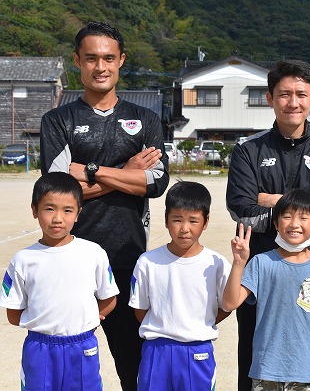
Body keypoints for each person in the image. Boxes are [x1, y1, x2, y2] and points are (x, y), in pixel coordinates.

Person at [39, 21, 170, 390]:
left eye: (109, 58)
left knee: (134, 362)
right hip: (69, 259)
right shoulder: (58, 120)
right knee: (66, 360)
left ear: (121, 61)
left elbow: (156, 182)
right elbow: (57, 193)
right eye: (91, 58)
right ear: (77, 61)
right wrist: (126, 173)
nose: (100, 66)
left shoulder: (146, 119)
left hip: (129, 256)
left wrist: (92, 172)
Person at [226, 59, 310, 390]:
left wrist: (272, 200)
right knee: (254, 349)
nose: (292, 102)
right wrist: (308, 209)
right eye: (284, 94)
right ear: (270, 98)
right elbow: (242, 209)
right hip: (262, 269)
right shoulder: (247, 151)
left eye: (301, 94)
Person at [0, 172, 119, 391]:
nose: (57, 218)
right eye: (49, 209)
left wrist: (88, 318)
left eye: (67, 210)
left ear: (78, 213)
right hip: (39, 348)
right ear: (34, 210)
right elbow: (13, 314)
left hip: (83, 346)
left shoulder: (93, 253)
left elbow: (109, 298)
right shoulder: (23, 260)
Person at [223, 189, 310, 391]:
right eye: (287, 216)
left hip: (308, 374)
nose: (294, 224)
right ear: (275, 224)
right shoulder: (260, 263)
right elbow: (229, 303)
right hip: (266, 372)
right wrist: (239, 263)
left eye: (303, 217)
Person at [129, 181, 231, 391]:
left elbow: (227, 305)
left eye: (193, 220)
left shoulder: (217, 263)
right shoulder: (147, 262)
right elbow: (140, 310)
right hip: (157, 351)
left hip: (198, 351)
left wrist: (201, 322)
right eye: (177, 220)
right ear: (166, 220)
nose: (184, 229)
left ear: (206, 221)